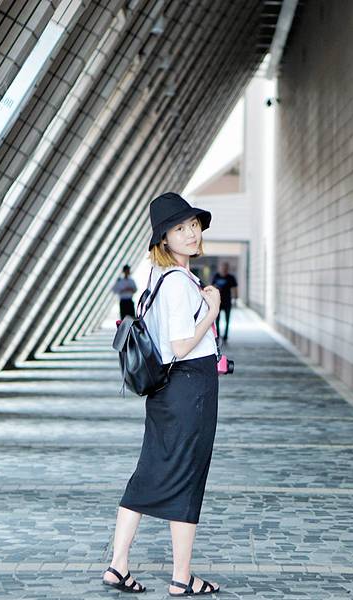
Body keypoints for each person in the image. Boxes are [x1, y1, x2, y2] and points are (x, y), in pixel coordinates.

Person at [103, 192, 222, 596]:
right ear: (164, 238)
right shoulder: (177, 283)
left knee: (150, 471)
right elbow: (181, 344)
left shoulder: (159, 277)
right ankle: (181, 577)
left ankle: (118, 565)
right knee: (188, 475)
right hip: (190, 387)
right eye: (179, 228)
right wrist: (213, 310)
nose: (190, 234)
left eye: (193, 225)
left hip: (167, 389)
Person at [211, 262, 238, 343]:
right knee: (217, 320)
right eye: (222, 267)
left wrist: (235, 299)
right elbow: (212, 287)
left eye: (225, 267)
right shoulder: (216, 276)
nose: (224, 269)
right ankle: (218, 334)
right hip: (218, 302)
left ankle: (226, 335)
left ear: (227, 268)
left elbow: (234, 289)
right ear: (220, 268)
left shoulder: (231, 278)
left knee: (227, 320)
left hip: (227, 301)